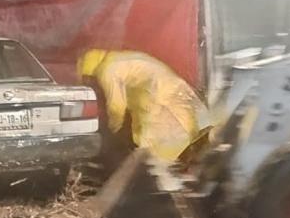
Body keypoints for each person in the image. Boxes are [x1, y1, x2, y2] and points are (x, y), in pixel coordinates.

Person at [77, 48, 208, 164]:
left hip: (157, 100)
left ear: (90, 71)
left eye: (89, 80)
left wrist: (113, 129)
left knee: (154, 155)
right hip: (176, 90)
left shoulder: (107, 71)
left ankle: (164, 185)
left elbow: (116, 106)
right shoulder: (118, 58)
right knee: (193, 137)